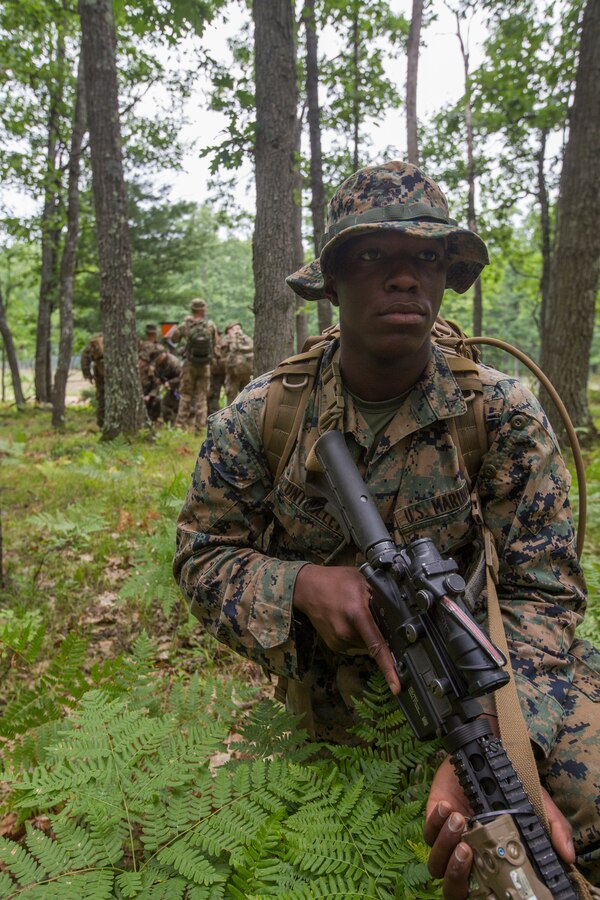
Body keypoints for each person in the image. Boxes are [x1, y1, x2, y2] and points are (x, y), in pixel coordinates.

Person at [173, 161, 599, 893]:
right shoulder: (261, 418)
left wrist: (505, 742)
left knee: (579, 813)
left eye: (426, 258)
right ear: (333, 282)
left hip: (483, 680)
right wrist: (300, 584)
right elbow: (200, 558)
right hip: (338, 701)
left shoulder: (501, 415)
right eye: (374, 256)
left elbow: (543, 596)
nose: (405, 278)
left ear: (446, 277)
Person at [167, 298, 219, 432]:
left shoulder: (185, 325)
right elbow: (216, 345)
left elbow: (173, 339)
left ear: (192, 310)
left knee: (185, 395)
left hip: (189, 365)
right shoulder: (210, 325)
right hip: (205, 366)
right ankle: (200, 427)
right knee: (201, 396)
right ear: (203, 310)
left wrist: (185, 323)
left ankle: (179, 426)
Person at [147, 345, 182, 425]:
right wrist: (158, 380)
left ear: (162, 355)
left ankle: (172, 424)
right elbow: (156, 375)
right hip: (167, 388)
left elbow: (182, 378)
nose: (156, 362)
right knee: (158, 401)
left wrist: (169, 383)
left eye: (157, 359)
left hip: (178, 388)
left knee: (166, 404)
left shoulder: (174, 363)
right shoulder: (157, 363)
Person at [222, 322, 254, 405]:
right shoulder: (226, 340)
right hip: (232, 373)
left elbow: (251, 346)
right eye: (234, 329)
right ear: (229, 331)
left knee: (247, 394)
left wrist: (240, 343)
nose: (237, 331)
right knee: (231, 395)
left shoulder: (246, 339)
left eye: (239, 328)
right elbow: (221, 354)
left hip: (246, 372)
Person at [80, 333, 105, 428]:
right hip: (103, 376)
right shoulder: (121, 338)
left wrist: (87, 374)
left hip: (101, 374)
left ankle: (102, 423)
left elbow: (85, 356)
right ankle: (102, 423)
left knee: (102, 399)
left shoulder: (99, 339)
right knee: (103, 399)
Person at [207, 328, 225, 415]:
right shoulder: (222, 343)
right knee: (213, 395)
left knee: (213, 395)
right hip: (220, 372)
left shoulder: (215, 345)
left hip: (216, 373)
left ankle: (214, 413)